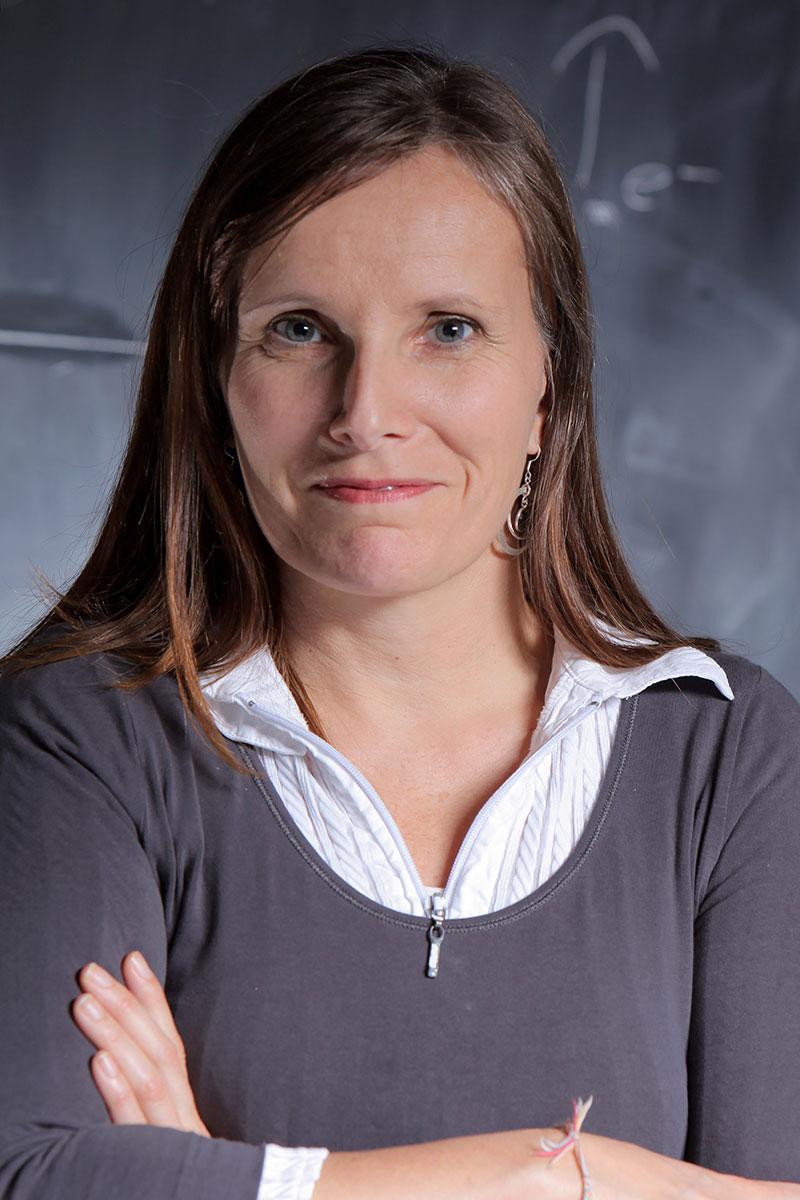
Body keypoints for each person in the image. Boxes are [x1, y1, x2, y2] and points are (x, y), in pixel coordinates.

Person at [1, 40, 799, 1200]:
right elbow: (34, 1176)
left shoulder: (726, 755)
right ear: (216, 383)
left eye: (449, 329)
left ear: (548, 390)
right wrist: (563, 1182)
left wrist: (227, 1182)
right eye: (299, 329)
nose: (365, 412)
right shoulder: (79, 735)